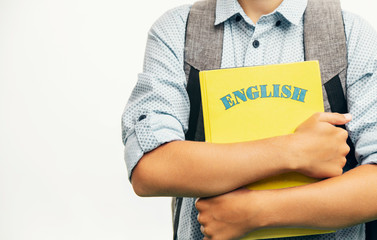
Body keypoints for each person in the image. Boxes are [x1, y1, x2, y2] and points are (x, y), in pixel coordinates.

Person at [122, 0, 377, 239]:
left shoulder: (350, 34)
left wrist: (256, 211)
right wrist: (295, 151)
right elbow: (150, 167)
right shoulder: (178, 30)